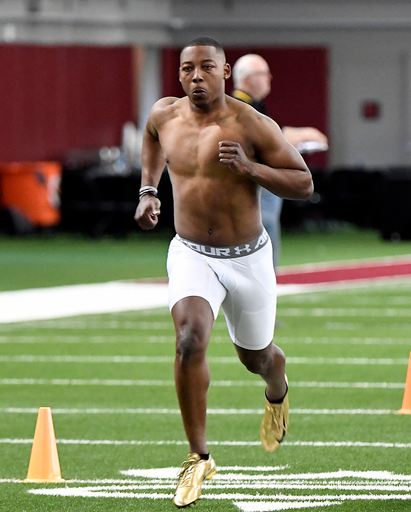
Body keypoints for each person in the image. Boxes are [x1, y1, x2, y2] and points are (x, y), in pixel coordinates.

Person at [134, 37, 313, 508]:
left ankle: (278, 389)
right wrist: (148, 191)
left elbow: (303, 181)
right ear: (179, 75)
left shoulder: (251, 123)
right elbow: (151, 143)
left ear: (225, 71)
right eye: (188, 69)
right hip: (191, 252)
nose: (197, 77)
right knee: (189, 339)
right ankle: (199, 457)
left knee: (257, 358)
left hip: (248, 258)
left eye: (207, 68)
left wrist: (251, 168)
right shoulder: (163, 116)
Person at [232, 53, 328, 267]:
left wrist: (301, 133)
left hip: (258, 181)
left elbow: (274, 130)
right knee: (263, 233)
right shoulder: (241, 106)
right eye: (263, 74)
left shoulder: (253, 105)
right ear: (247, 79)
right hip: (253, 184)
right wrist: (303, 135)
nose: (269, 78)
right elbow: (269, 138)